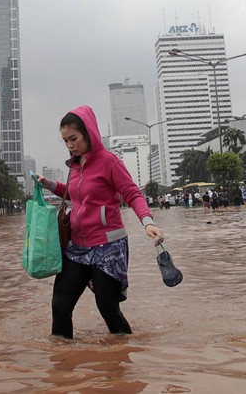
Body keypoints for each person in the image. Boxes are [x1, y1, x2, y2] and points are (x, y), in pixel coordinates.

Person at [36, 105, 164, 339]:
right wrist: (50, 184)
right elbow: (74, 193)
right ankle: (62, 357)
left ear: (88, 133)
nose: (70, 145)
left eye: (73, 139)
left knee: (107, 308)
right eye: (65, 141)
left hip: (108, 247)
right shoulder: (75, 165)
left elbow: (133, 193)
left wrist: (148, 222)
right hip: (77, 247)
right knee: (60, 305)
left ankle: (124, 351)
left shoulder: (109, 162)